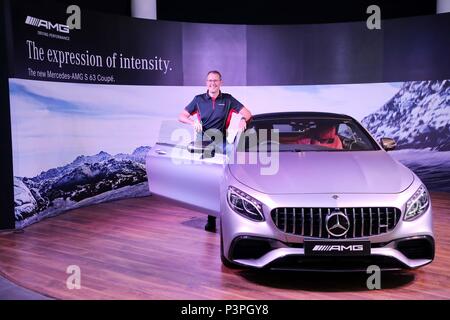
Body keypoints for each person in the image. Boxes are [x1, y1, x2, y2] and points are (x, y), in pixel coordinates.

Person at [178, 70, 252, 232]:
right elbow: (181, 116)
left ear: (221, 82)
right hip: (204, 145)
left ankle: (233, 215)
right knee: (209, 183)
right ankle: (211, 219)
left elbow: (247, 114)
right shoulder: (198, 100)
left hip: (223, 145)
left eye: (215, 81)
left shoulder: (228, 100)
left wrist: (241, 120)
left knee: (226, 179)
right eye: (210, 81)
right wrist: (192, 122)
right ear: (206, 83)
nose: (212, 83)